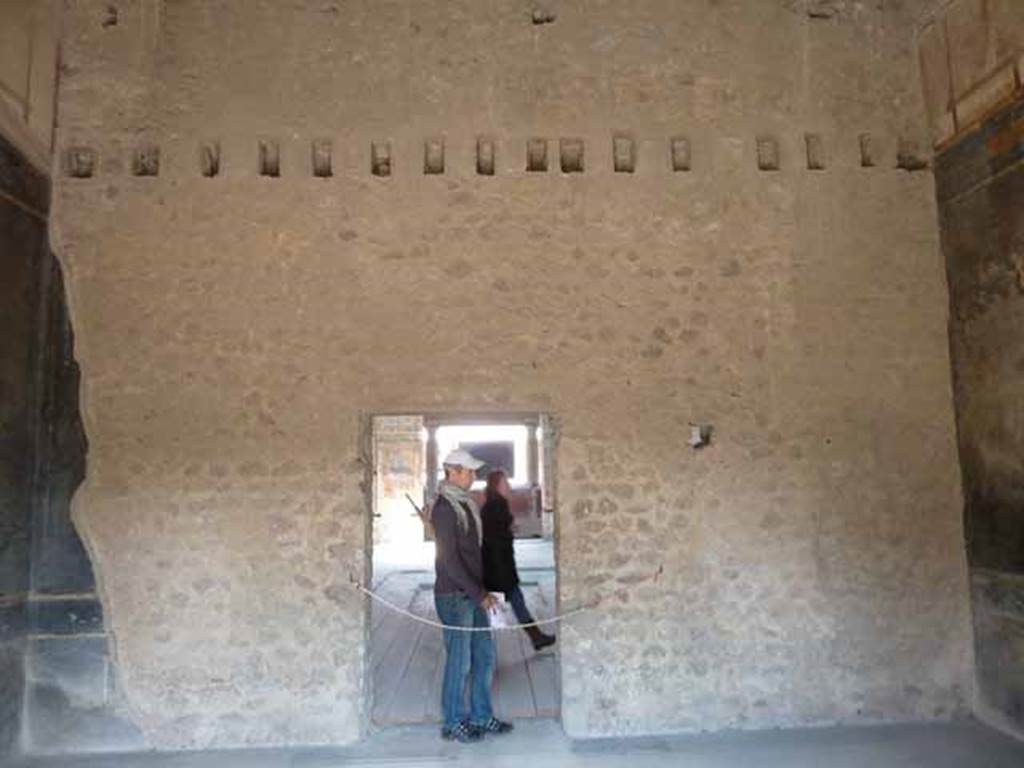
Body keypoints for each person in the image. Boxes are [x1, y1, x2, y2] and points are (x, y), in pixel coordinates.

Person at [432, 448, 514, 743]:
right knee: (460, 661)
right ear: (453, 472)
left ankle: (481, 715)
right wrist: (479, 593)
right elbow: (449, 561)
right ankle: (453, 721)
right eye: (468, 471)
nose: (473, 476)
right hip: (455, 596)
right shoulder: (444, 508)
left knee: (485, 655)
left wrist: (484, 590)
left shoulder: (465, 504)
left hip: (475, 593)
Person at [481, 470, 556, 651]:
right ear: (497, 486)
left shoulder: (493, 506)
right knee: (495, 611)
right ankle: (485, 653)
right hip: (499, 568)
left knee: (511, 604)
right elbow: (495, 540)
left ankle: (536, 637)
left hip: (497, 566)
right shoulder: (497, 506)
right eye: (505, 483)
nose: (508, 486)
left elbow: (496, 534)